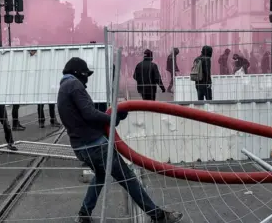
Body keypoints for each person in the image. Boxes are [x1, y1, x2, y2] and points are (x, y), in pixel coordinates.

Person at [57, 57, 183, 223]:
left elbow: (83, 118)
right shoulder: (74, 85)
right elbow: (89, 114)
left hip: (81, 148)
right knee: (129, 179)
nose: (86, 79)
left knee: (101, 176)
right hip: (96, 146)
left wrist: (111, 117)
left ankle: (84, 214)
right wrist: (114, 116)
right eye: (85, 75)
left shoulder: (63, 88)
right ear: (78, 73)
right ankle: (158, 216)